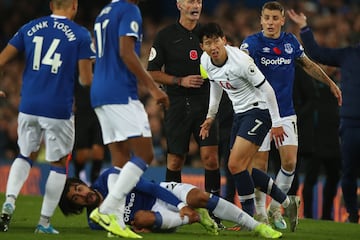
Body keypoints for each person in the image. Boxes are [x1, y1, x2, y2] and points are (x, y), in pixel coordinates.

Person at [240, 1, 342, 229]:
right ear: (261, 19)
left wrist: (330, 83)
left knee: (289, 163)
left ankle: (274, 210)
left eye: (275, 18)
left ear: (282, 20)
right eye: (267, 17)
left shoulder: (290, 42)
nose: (270, 22)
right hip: (259, 113)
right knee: (260, 166)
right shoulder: (251, 44)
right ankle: (260, 216)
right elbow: (240, 71)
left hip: (285, 113)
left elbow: (308, 65)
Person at [0, 0, 94, 234]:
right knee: (59, 164)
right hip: (58, 108)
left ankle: (9, 202)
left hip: (28, 105)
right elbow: (86, 80)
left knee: (25, 154)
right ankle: (43, 223)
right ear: (74, 5)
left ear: (52, 5)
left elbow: (2, 59)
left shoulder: (30, 27)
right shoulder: (80, 35)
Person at [197, 22, 300, 232]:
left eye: (216, 40)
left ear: (224, 40)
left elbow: (268, 90)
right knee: (245, 169)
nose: (213, 45)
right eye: (208, 42)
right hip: (240, 114)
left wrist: (278, 122)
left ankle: (249, 221)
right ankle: (288, 203)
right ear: (202, 47)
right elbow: (216, 85)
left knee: (236, 165)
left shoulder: (241, 61)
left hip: (259, 111)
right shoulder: (205, 61)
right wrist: (210, 116)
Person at [89, 0, 170, 238]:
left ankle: (115, 224)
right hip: (120, 92)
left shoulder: (103, 12)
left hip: (100, 91)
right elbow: (126, 52)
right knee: (145, 155)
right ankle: (106, 210)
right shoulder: (129, 9)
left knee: (121, 160)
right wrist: (153, 88)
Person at [146, 1, 221, 222]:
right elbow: (153, 72)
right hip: (177, 104)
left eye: (198, 0)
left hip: (205, 104)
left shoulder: (208, 34)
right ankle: (173, 210)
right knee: (175, 160)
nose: (195, 5)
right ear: (179, 4)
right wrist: (180, 80)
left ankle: (214, 211)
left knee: (211, 159)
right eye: (190, 1)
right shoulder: (165, 35)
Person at [58, 166, 283, 239]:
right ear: (77, 206)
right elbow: (132, 228)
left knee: (200, 198)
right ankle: (194, 217)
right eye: (75, 198)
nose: (82, 195)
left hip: (162, 194)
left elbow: (151, 187)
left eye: (79, 189)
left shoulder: (109, 177)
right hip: (157, 217)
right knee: (140, 218)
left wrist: (180, 205)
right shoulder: (95, 222)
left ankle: (257, 226)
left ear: (83, 183)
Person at [287, 9, 359, 224]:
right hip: (350, 123)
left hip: (347, 123)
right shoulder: (348, 55)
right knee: (348, 173)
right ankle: (353, 214)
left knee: (346, 173)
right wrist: (304, 28)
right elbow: (316, 54)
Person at [73, 77, 105, 184]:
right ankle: (79, 177)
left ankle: (95, 184)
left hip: (99, 111)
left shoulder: (102, 63)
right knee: (81, 154)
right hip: (82, 113)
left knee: (98, 152)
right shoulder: (78, 63)